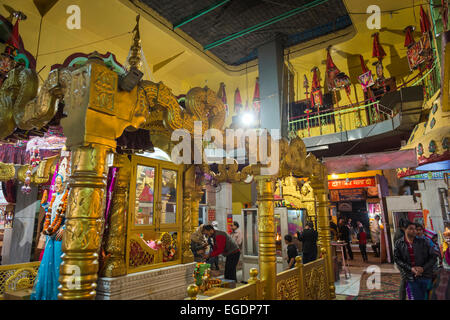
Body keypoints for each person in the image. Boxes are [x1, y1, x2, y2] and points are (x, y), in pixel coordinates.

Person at [31, 169, 68, 300]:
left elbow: (71, 216)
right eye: (56, 183)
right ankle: (45, 294)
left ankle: (56, 296)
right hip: (50, 235)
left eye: (59, 183)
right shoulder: (55, 197)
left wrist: (64, 227)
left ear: (65, 184)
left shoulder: (67, 198)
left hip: (60, 236)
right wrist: (44, 204)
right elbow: (50, 213)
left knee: (58, 265)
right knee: (47, 264)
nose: (56, 186)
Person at [394, 221, 437, 300]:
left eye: (415, 229)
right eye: (411, 229)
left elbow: (433, 257)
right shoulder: (399, 243)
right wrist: (411, 269)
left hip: (426, 275)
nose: (414, 231)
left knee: (428, 297)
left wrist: (422, 268)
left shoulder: (424, 242)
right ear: (404, 230)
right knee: (416, 297)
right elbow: (397, 259)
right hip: (411, 277)